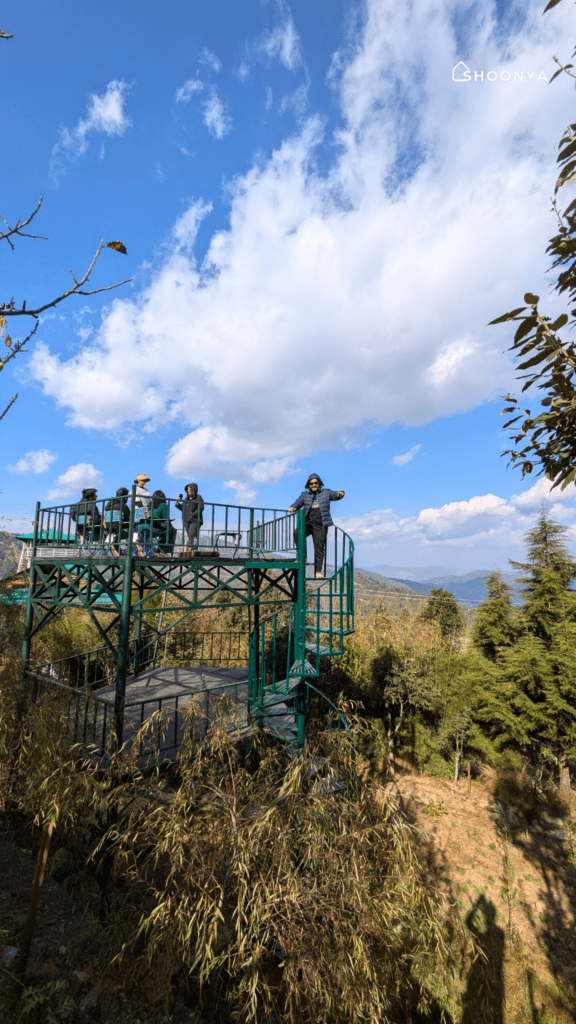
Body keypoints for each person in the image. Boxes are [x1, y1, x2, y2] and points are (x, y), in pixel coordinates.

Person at [288, 473, 345, 578]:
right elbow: (297, 503)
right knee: (297, 533)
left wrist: (341, 493)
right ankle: (303, 557)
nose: (313, 485)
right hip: (307, 523)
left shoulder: (326, 492)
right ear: (308, 485)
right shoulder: (304, 495)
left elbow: (336, 495)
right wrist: (293, 507)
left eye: (315, 483)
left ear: (319, 483)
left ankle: (318, 572)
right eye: (311, 483)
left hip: (321, 525)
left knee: (319, 547)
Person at [175, 483, 204, 552]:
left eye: (190, 489)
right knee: (190, 536)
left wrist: (193, 515)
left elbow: (201, 507)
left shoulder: (198, 498)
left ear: (194, 490)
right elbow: (183, 509)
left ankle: (189, 548)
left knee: (191, 534)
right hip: (186, 520)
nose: (188, 491)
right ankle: (192, 548)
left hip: (195, 520)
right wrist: (177, 503)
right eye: (187, 490)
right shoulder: (186, 499)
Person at [149, 489, 177, 554]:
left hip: (148, 528)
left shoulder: (150, 505)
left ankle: (160, 550)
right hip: (157, 529)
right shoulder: (163, 506)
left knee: (168, 530)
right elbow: (166, 519)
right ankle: (163, 550)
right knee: (172, 530)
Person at [103, 487, 130, 552]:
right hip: (119, 531)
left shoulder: (107, 507)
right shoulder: (123, 506)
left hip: (108, 531)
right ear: (125, 497)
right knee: (135, 532)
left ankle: (120, 553)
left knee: (115, 537)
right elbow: (129, 520)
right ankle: (131, 552)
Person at [132, 473, 152, 544]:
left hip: (147, 510)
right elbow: (137, 501)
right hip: (138, 510)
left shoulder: (146, 490)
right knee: (138, 527)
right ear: (138, 480)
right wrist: (144, 510)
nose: (144, 482)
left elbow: (149, 500)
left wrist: (148, 509)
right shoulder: (135, 489)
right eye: (143, 480)